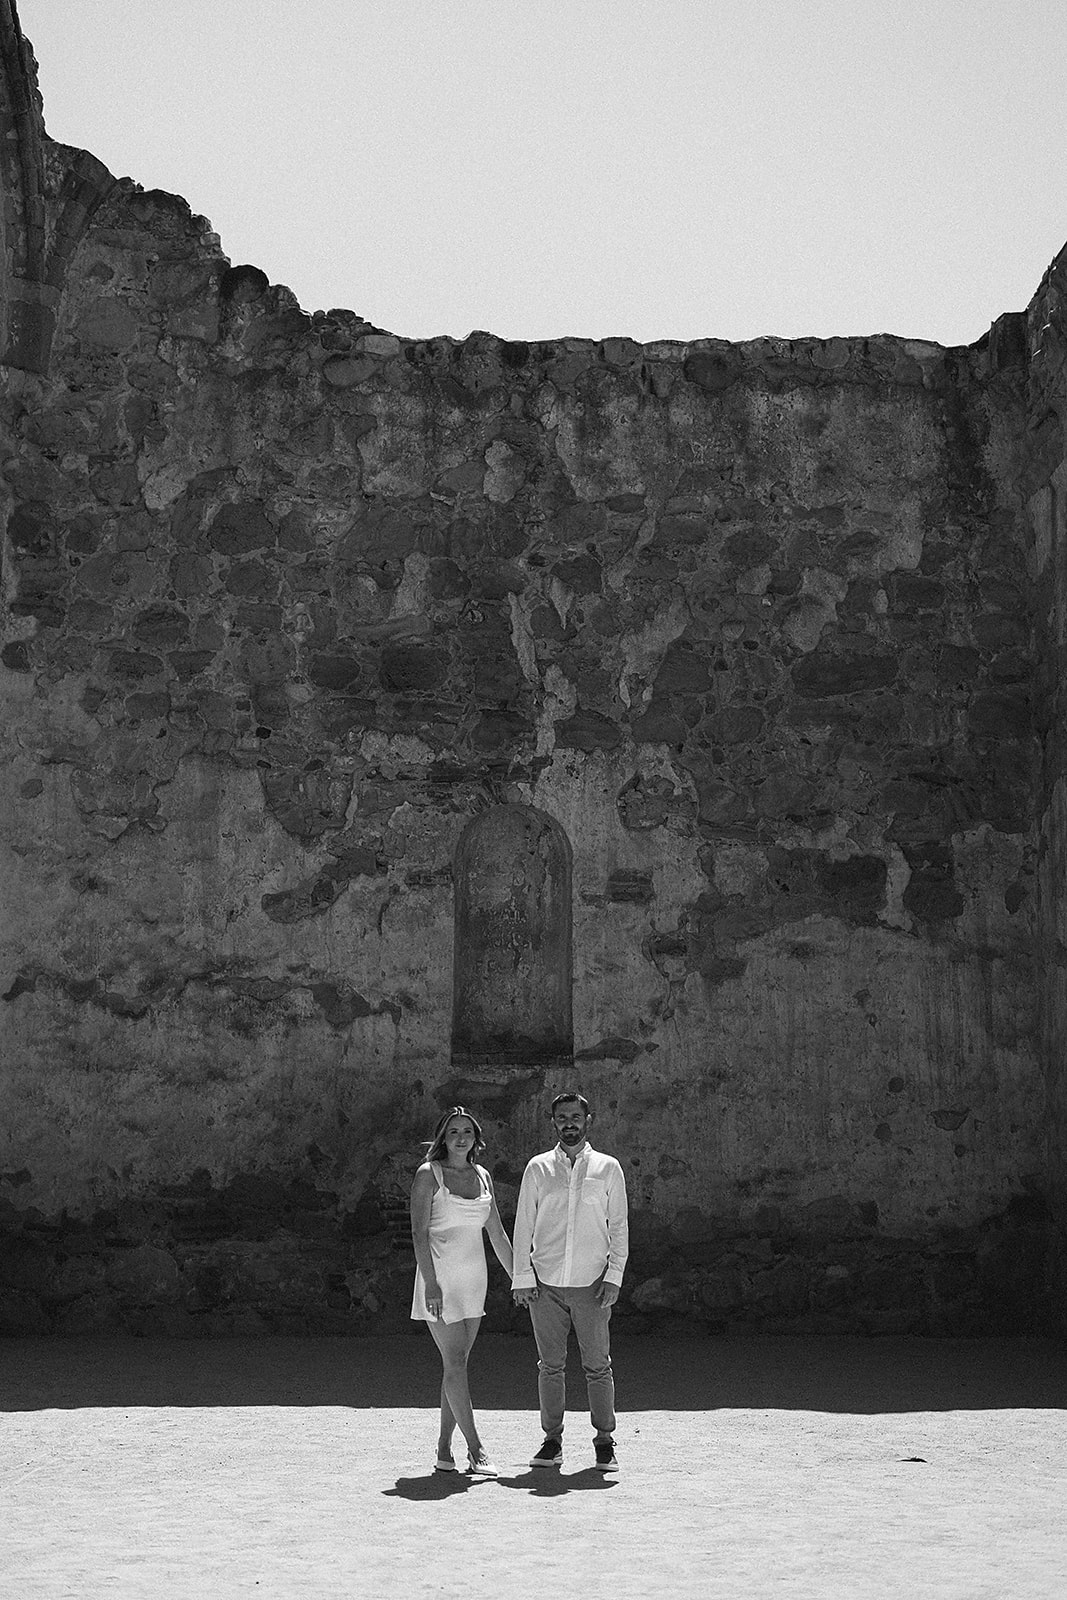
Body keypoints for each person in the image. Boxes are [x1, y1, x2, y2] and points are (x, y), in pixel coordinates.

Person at [512, 1090, 628, 1473]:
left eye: (575, 1117)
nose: (569, 1124)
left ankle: (604, 1441)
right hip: (545, 1283)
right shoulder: (538, 1169)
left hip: (592, 1284)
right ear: (553, 1123)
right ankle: (552, 1441)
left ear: (588, 1120)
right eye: (562, 1118)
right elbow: (524, 1224)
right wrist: (522, 1278)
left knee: (598, 1365)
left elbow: (619, 1227)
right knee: (550, 1365)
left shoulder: (608, 1169)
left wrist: (614, 1276)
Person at [410, 1105, 513, 1477]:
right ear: (442, 1137)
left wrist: (522, 1278)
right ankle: (476, 1448)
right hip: (438, 1282)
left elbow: (497, 1235)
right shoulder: (428, 1175)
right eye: (453, 1131)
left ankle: (442, 1450)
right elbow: (419, 1233)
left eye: (466, 1131)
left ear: (476, 1138)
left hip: (474, 1283)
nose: (460, 1137)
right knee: (455, 1364)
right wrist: (432, 1283)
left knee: (457, 1368)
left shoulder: (483, 1176)